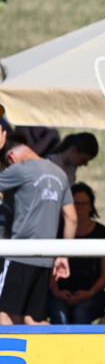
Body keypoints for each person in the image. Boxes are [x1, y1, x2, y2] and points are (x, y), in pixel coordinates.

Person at [0, 129, 75, 325]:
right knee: (33, 319)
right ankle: (52, 353)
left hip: (19, 254)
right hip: (45, 258)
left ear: (11, 157)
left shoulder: (19, 170)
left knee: (5, 312)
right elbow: (72, 218)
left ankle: (5, 356)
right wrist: (63, 254)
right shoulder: (60, 173)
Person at [47, 182, 105, 324]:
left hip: (93, 294)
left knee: (81, 313)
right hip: (59, 293)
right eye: (75, 203)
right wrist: (56, 292)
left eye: (84, 204)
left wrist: (89, 293)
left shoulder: (103, 233)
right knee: (60, 315)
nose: (79, 208)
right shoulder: (56, 230)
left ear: (91, 206)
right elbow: (48, 266)